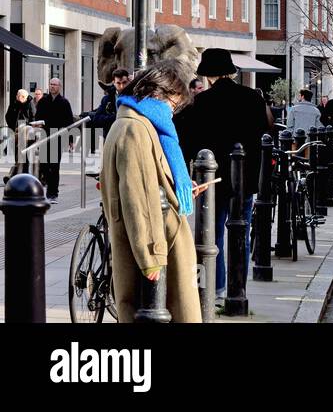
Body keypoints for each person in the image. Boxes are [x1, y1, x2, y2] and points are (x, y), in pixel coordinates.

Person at [100, 59, 205, 323]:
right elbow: (140, 195)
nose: (173, 111)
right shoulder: (136, 128)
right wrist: (151, 255)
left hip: (156, 241)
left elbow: (151, 182)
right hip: (158, 247)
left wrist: (176, 189)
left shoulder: (134, 122)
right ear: (159, 93)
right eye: (174, 103)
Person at [175, 48, 274, 295]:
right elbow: (264, 135)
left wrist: (187, 174)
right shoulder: (253, 98)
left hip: (213, 180)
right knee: (241, 231)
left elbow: (184, 139)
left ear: (208, 75)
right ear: (231, 71)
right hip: (245, 178)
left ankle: (215, 288)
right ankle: (238, 289)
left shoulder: (201, 103)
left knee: (212, 235)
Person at [34, 78, 75, 201]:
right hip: (44, 136)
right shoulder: (43, 101)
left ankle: (53, 193)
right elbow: (37, 117)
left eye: (55, 85)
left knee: (54, 166)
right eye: (51, 84)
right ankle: (48, 189)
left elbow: (69, 122)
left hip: (57, 137)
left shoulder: (64, 103)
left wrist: (70, 140)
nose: (52, 87)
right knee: (45, 166)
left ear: (59, 87)